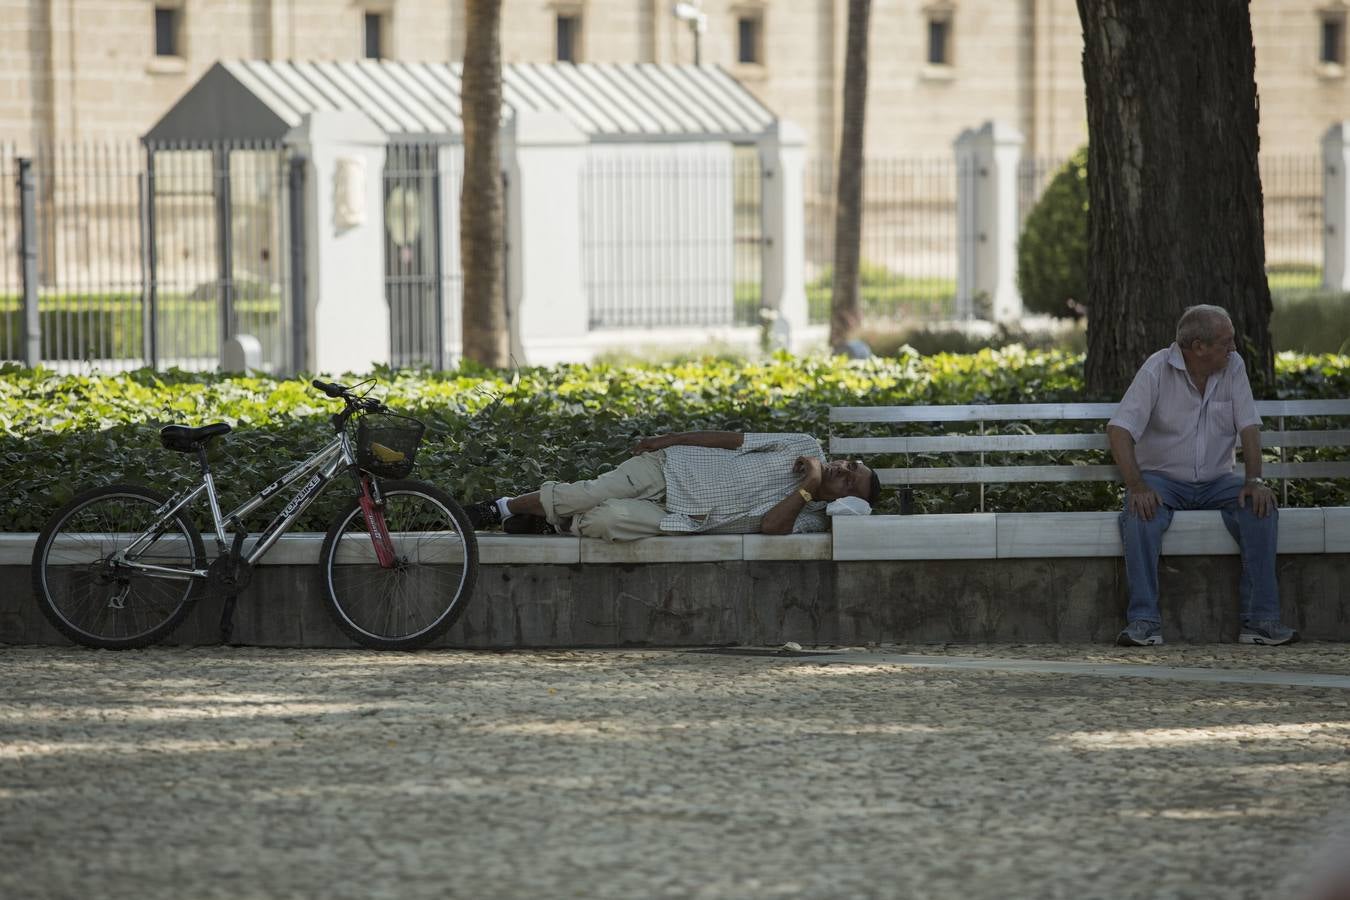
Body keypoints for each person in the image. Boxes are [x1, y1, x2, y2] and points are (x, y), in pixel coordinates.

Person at [1107, 304, 1298, 647]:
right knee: (1139, 515)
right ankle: (1144, 622)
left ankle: (1260, 622)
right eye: (1226, 342)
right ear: (1198, 347)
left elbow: (1249, 428)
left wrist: (1254, 481)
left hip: (1217, 482)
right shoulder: (1156, 369)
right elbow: (1119, 430)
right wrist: (1137, 486)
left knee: (1261, 509)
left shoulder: (1233, 367)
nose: (1234, 348)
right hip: (1163, 481)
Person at [466, 431, 880, 541]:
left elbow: (772, 528)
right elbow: (731, 440)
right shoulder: (803, 444)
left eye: (849, 479)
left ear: (845, 501)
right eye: (851, 465)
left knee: (610, 521)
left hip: (682, 517)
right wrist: (668, 441)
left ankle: (554, 522)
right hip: (672, 468)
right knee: (589, 494)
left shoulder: (810, 519)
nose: (843, 468)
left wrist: (807, 485)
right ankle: (500, 508)